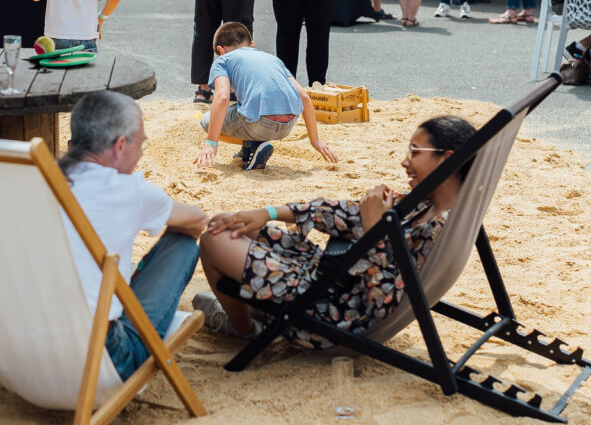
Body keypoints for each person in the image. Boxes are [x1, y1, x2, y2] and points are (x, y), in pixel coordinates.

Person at [193, 115, 476, 347]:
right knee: (228, 222)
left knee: (214, 238)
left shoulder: (434, 230)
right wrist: (269, 213)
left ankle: (244, 330)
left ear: (446, 159)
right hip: (329, 278)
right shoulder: (428, 205)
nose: (405, 161)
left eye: (414, 152)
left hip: (331, 313)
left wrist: (372, 229)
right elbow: (344, 213)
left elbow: (382, 299)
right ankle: (252, 310)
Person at [56, 90, 208, 380]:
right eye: (141, 144)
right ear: (120, 146)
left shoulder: (39, 180)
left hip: (20, 349)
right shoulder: (129, 191)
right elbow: (198, 220)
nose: (141, 154)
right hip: (102, 359)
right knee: (182, 244)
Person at [194, 22, 338, 171]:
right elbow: (305, 97)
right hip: (287, 125)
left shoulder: (223, 60)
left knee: (206, 121)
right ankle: (249, 149)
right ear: (252, 44)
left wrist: (211, 144)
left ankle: (253, 144)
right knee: (242, 106)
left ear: (220, 50)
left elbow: (222, 98)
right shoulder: (274, 59)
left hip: (260, 124)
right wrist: (315, 140)